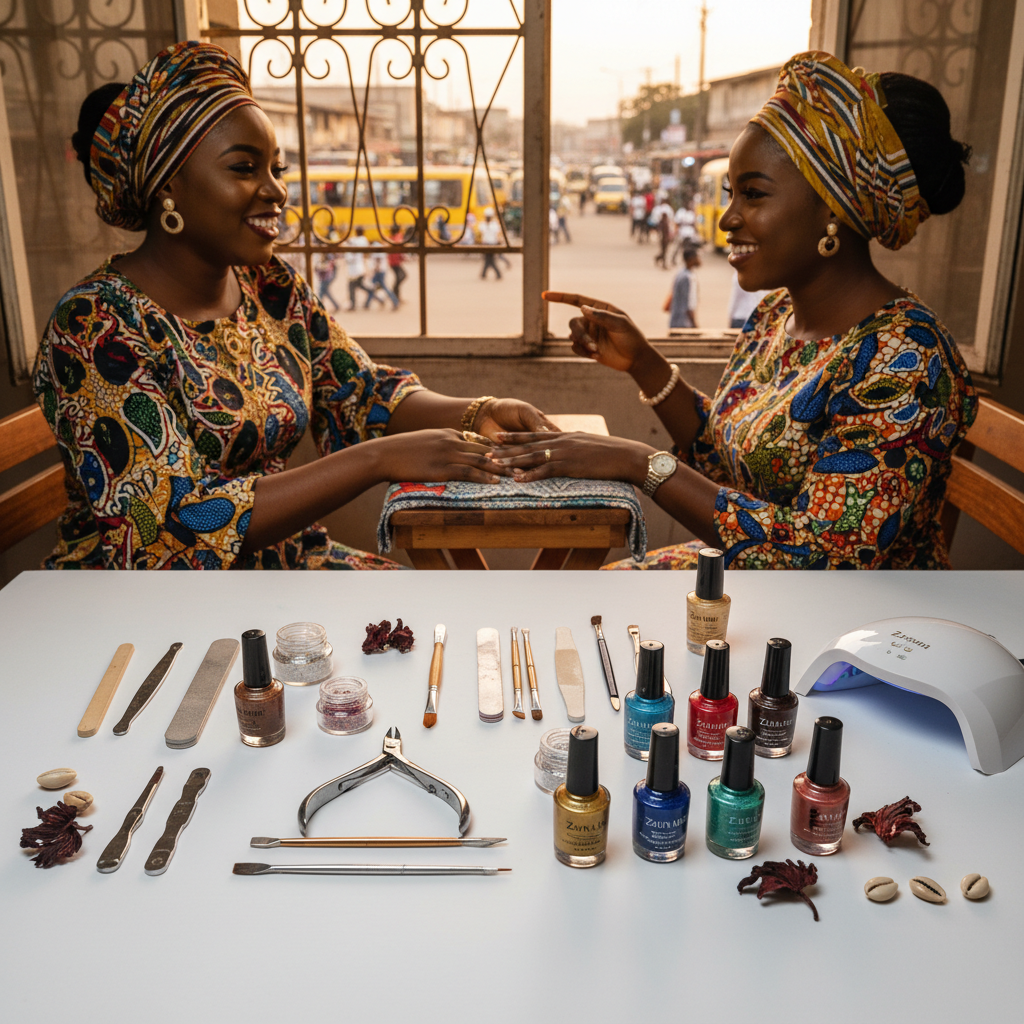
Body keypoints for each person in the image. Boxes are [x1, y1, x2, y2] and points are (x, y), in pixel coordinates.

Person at [34, 42, 554, 570]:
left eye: (277, 169)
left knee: (447, 618)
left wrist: (479, 411)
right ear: (168, 184)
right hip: (146, 608)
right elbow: (172, 524)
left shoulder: (270, 286)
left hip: (284, 568)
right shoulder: (95, 325)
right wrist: (379, 459)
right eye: (244, 168)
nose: (276, 191)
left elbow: (361, 391)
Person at [494, 52, 977, 571]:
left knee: (583, 612)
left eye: (753, 194)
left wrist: (639, 463)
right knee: (581, 600)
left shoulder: (907, 360)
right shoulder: (775, 316)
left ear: (833, 208)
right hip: (756, 588)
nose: (727, 218)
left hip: (856, 628)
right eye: (731, 194)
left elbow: (823, 559)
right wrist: (644, 362)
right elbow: (724, 459)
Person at [664, 244, 701, 328]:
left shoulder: (682, 273)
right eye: (697, 257)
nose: (699, 260)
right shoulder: (686, 278)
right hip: (682, 322)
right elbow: (687, 304)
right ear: (691, 259)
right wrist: (694, 324)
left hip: (677, 320)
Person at [344, 226, 374, 311]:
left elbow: (348, 241)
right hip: (359, 268)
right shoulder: (363, 240)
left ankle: (353, 304)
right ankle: (373, 295)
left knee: (352, 287)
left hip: (355, 269)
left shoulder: (356, 240)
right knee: (358, 286)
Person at [671, 199, 697, 265]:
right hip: (681, 232)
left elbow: (694, 224)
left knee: (688, 248)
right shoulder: (681, 212)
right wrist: (676, 231)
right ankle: (673, 259)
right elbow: (677, 222)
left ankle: (686, 260)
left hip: (689, 233)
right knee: (677, 247)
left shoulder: (691, 213)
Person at [480, 207, 504, 280]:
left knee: (489, 259)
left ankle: (486, 274)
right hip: (492, 243)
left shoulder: (483, 224)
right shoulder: (495, 224)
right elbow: (498, 233)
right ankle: (485, 274)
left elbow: (481, 232)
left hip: (487, 244)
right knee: (489, 259)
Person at [388, 225, 407, 303]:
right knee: (401, 276)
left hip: (393, 261)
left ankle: (396, 294)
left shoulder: (391, 238)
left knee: (400, 277)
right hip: (394, 262)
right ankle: (395, 293)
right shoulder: (397, 237)